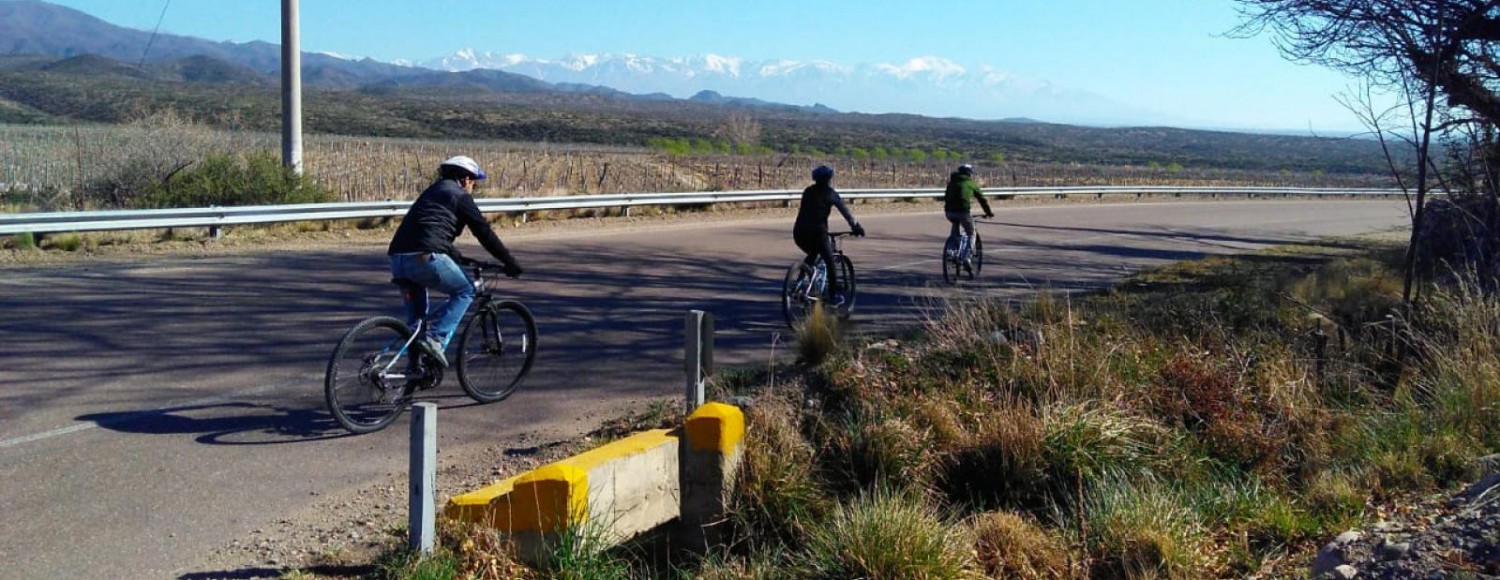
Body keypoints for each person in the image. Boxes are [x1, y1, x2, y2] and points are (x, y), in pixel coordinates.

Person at [387, 155, 522, 367]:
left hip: (397, 259)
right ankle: (437, 340)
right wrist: (509, 262)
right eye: (474, 182)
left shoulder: (432, 193)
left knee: (416, 327)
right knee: (465, 291)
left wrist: (460, 258)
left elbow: (431, 231)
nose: (473, 187)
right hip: (425, 258)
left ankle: (413, 375)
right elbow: (483, 232)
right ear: (466, 179)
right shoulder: (459, 196)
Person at [793, 164, 865, 308]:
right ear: (829, 178)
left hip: (799, 232)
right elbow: (847, 214)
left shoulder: (808, 191)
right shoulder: (831, 194)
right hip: (818, 233)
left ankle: (799, 285)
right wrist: (857, 228)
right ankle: (832, 296)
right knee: (831, 262)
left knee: (812, 254)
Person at [943, 163, 992, 266]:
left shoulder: (951, 182)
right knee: (971, 233)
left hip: (949, 212)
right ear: (969, 174)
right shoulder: (970, 183)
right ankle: (966, 257)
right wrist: (988, 212)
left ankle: (951, 251)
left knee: (955, 229)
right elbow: (982, 199)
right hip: (963, 212)